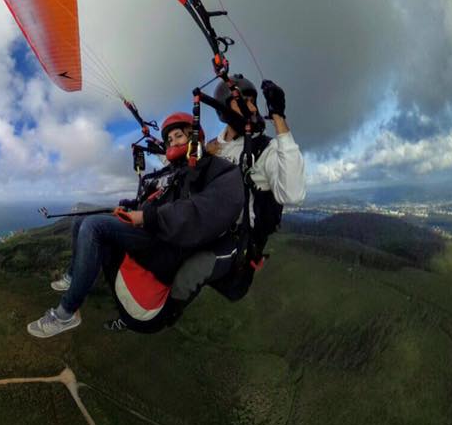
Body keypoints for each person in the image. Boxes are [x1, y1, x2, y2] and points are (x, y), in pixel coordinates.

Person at [101, 76, 307, 331]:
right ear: (223, 107)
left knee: (192, 271)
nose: (252, 108)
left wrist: (278, 117)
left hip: (235, 238)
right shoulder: (210, 146)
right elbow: (180, 171)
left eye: (255, 103)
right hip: (203, 221)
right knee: (142, 243)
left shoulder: (266, 149)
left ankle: (164, 316)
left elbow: (293, 193)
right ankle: (134, 308)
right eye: (244, 102)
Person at [27, 112, 245, 338]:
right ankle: (73, 276)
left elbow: (200, 211)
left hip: (164, 240)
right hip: (149, 227)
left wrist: (146, 217)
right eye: (169, 140)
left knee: (93, 226)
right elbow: (154, 198)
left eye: (178, 136)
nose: (173, 142)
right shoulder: (173, 171)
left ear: (195, 137)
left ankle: (66, 314)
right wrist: (130, 206)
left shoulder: (218, 170)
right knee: (81, 214)